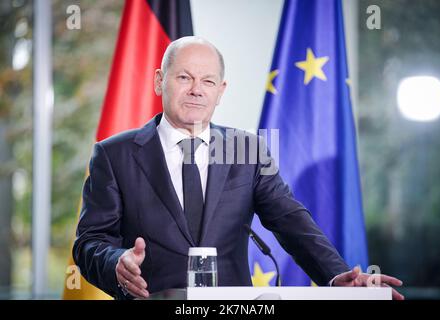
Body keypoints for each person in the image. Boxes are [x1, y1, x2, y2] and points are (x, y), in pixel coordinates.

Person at [73, 36, 404, 300]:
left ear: (221, 91)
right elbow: (89, 242)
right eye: (184, 77)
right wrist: (116, 263)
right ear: (160, 81)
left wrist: (335, 277)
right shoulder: (114, 154)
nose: (196, 90)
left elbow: (291, 221)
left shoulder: (246, 150)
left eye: (208, 81)